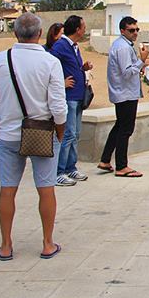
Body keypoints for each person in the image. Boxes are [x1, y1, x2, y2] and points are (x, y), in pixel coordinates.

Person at [0, 12, 68, 261]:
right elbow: (58, 106)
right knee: (46, 189)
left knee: (7, 189)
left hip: (8, 134)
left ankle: (6, 245)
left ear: (15, 33)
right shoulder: (50, 62)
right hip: (41, 133)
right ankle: (47, 243)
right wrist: (59, 133)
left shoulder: (0, 60)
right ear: (40, 34)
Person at [101, 16, 149, 177]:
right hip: (125, 93)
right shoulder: (122, 47)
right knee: (126, 129)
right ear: (122, 31)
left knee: (119, 126)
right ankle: (121, 166)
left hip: (124, 92)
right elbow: (127, 72)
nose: (135, 33)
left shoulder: (122, 45)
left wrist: (140, 64)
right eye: (131, 30)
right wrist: (141, 61)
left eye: (137, 30)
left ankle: (105, 159)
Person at [50, 15, 93, 186]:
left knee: (75, 134)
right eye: (83, 27)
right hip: (69, 97)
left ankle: (70, 167)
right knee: (68, 135)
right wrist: (62, 82)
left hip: (78, 96)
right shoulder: (61, 45)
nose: (85, 30)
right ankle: (59, 171)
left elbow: (70, 66)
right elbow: (49, 66)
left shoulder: (74, 47)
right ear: (77, 29)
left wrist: (83, 68)